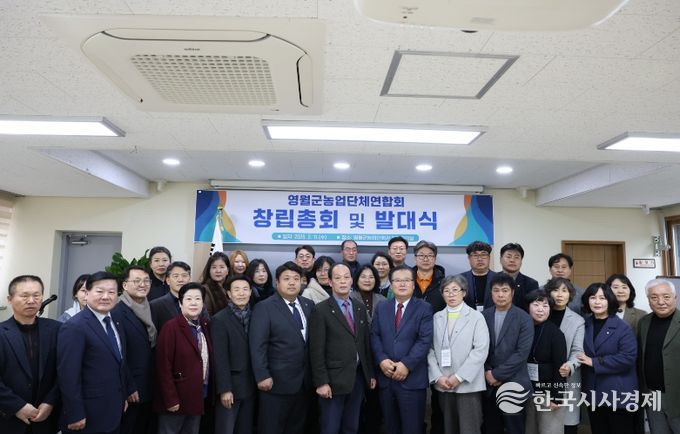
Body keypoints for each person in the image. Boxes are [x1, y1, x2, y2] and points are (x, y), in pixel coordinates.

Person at [57, 271, 137, 434]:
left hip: (113, 408)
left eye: (111, 292)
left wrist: (123, 394)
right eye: (100, 291)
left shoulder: (115, 320)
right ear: (87, 294)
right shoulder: (75, 327)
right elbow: (68, 375)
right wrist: (75, 413)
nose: (106, 297)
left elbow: (119, 360)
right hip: (88, 413)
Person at [309, 263, 376, 434]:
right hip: (332, 380)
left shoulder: (359, 307)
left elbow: (364, 343)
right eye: (338, 278)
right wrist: (321, 382)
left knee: (351, 426)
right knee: (330, 427)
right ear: (330, 282)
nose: (343, 281)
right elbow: (316, 350)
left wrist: (370, 374)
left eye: (346, 277)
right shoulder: (320, 310)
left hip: (357, 378)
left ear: (352, 280)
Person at [249, 261, 314, 434]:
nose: (292, 282)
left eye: (296, 278)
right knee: (271, 428)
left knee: (297, 428)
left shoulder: (308, 305)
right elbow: (257, 345)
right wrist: (262, 375)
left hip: (304, 383)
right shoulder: (264, 307)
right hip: (275, 383)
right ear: (277, 282)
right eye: (286, 279)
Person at [370, 265, 433, 434]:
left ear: (413, 284)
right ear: (391, 284)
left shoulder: (424, 308)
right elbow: (374, 335)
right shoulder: (382, 307)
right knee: (390, 427)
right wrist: (382, 360)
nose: (402, 284)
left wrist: (406, 364)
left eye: (407, 280)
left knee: (412, 428)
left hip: (412, 380)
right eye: (397, 280)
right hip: (386, 377)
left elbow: (424, 340)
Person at [427, 275, 489, 434]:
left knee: (469, 428)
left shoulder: (476, 317)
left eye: (455, 290)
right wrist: (438, 377)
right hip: (444, 383)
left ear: (464, 292)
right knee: (449, 428)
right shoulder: (436, 317)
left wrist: (459, 377)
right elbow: (430, 349)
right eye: (446, 290)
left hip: (467, 384)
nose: (451, 294)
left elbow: (480, 350)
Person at [0, 275, 61, 434]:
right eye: (24, 296)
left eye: (36, 295)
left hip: (46, 420)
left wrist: (50, 402)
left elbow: (64, 371)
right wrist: (17, 406)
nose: (31, 300)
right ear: (10, 299)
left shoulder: (57, 329)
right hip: (8, 420)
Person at [576, 283, 637, 434]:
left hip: (618, 392)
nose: (597, 302)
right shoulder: (584, 324)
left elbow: (628, 358)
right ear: (587, 301)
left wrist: (594, 362)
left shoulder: (622, 327)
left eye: (602, 298)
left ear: (610, 300)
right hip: (593, 391)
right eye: (593, 297)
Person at [155, 283, 213, 434]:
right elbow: (163, 367)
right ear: (180, 304)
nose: (193, 303)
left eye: (198, 299)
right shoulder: (171, 328)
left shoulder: (204, 325)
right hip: (176, 399)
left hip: (198, 395)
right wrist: (171, 399)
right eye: (188, 299)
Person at [482, 273, 534, 434]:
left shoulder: (524, 318)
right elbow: (478, 348)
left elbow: (522, 353)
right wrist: (487, 372)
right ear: (491, 293)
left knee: (514, 429)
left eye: (505, 290)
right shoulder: (483, 316)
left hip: (514, 383)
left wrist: (496, 374)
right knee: (491, 427)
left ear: (512, 292)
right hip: (488, 384)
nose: (500, 294)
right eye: (496, 290)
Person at [113, 266, 156, 434]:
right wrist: (129, 386)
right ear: (125, 285)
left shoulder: (149, 307)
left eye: (146, 281)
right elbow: (118, 354)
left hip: (149, 384)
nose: (142, 284)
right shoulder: (118, 311)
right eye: (137, 281)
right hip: (131, 388)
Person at [212, 276, 256, 434]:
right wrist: (225, 389)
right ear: (229, 293)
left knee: (246, 429)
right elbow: (220, 358)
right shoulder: (219, 319)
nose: (241, 293)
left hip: (252, 385)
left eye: (245, 289)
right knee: (225, 429)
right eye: (236, 290)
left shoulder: (257, 315)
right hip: (231, 387)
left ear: (250, 292)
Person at [638, 278, 680, 433]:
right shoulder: (644, 322)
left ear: (675, 297)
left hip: (677, 394)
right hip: (652, 394)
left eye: (666, 297)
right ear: (648, 300)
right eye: (654, 297)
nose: (661, 302)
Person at [524, 290, 567, 434]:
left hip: (548, 392)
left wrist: (557, 396)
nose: (540, 309)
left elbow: (560, 367)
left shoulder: (556, 334)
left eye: (545, 306)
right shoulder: (523, 329)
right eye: (536, 305)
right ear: (528, 307)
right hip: (527, 390)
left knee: (550, 430)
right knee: (529, 429)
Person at [350, 264, 387, 434]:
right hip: (356, 359)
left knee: (375, 402)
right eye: (363, 276)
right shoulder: (350, 298)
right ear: (356, 279)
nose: (367, 280)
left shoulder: (382, 300)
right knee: (355, 403)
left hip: (378, 358)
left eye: (371, 277)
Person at [545, 277, 584, 434]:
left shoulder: (578, 320)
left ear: (570, 295)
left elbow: (577, 350)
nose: (560, 294)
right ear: (549, 293)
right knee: (543, 424)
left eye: (564, 290)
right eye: (555, 290)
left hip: (566, 377)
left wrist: (570, 365)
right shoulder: (540, 314)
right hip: (542, 378)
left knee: (567, 424)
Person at [150, 261, 191, 332]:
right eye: (176, 276)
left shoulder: (198, 303)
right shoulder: (156, 305)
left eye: (184, 276)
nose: (180, 280)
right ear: (168, 280)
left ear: (189, 279)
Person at [498, 243, 538, 311]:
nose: (512, 260)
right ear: (500, 260)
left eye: (516, 257)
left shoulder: (531, 284)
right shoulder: (491, 280)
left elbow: (533, 310)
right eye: (508, 256)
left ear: (521, 261)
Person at [460, 241, 497, 311]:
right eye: (475, 255)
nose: (480, 259)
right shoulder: (460, 279)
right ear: (469, 258)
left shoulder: (499, 278)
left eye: (483, 255)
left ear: (489, 257)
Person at [412, 240, 446, 312]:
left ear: (435, 258)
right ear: (415, 258)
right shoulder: (407, 280)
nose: (425, 259)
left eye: (430, 255)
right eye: (421, 255)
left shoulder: (444, 283)